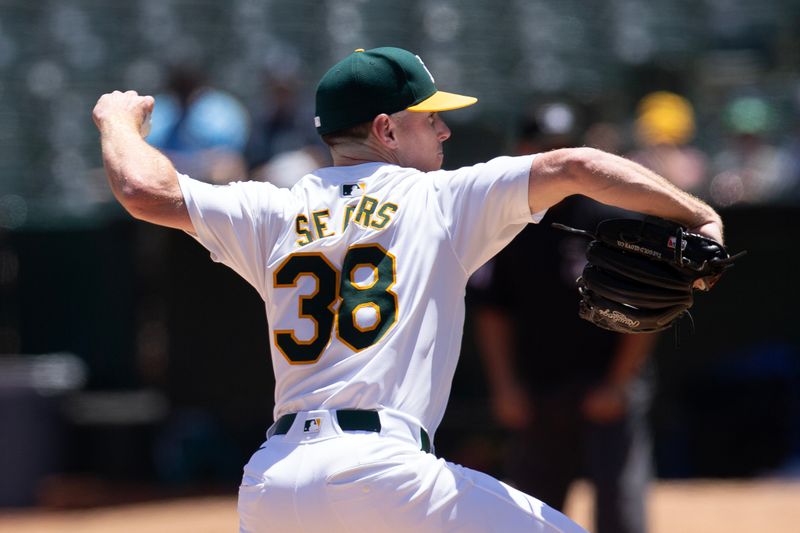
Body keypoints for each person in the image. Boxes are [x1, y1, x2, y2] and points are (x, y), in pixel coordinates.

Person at [93, 47, 724, 533]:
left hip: (273, 486)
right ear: (386, 130)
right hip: (384, 472)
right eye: (430, 119)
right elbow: (575, 165)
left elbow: (145, 192)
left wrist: (118, 121)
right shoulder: (440, 200)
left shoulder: (274, 210)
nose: (445, 132)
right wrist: (697, 217)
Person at [471, 114, 656, 533]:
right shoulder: (506, 224)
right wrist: (505, 386)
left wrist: (618, 382)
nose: (550, 158)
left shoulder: (611, 216)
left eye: (560, 146)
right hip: (539, 388)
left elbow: (650, 307)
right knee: (532, 513)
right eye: (538, 147)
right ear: (518, 153)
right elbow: (492, 310)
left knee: (621, 512)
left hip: (606, 384)